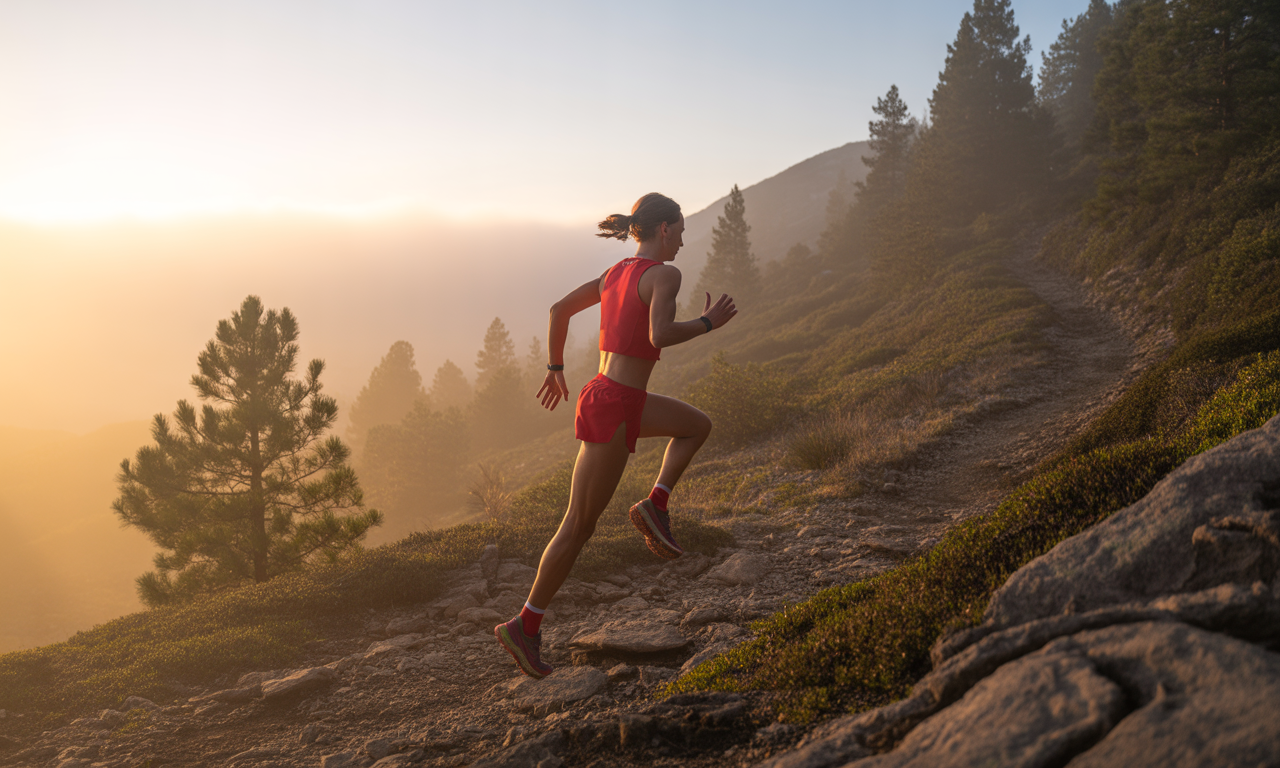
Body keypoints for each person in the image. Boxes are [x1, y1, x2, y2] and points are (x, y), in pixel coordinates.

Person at [495, 192, 738, 679]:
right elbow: (660, 336)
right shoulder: (665, 274)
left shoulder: (614, 274)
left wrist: (556, 367)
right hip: (614, 406)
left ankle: (656, 503)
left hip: (616, 398)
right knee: (578, 525)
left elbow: (559, 310)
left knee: (697, 426)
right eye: (682, 230)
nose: (684, 241)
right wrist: (709, 322)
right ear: (664, 229)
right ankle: (525, 625)